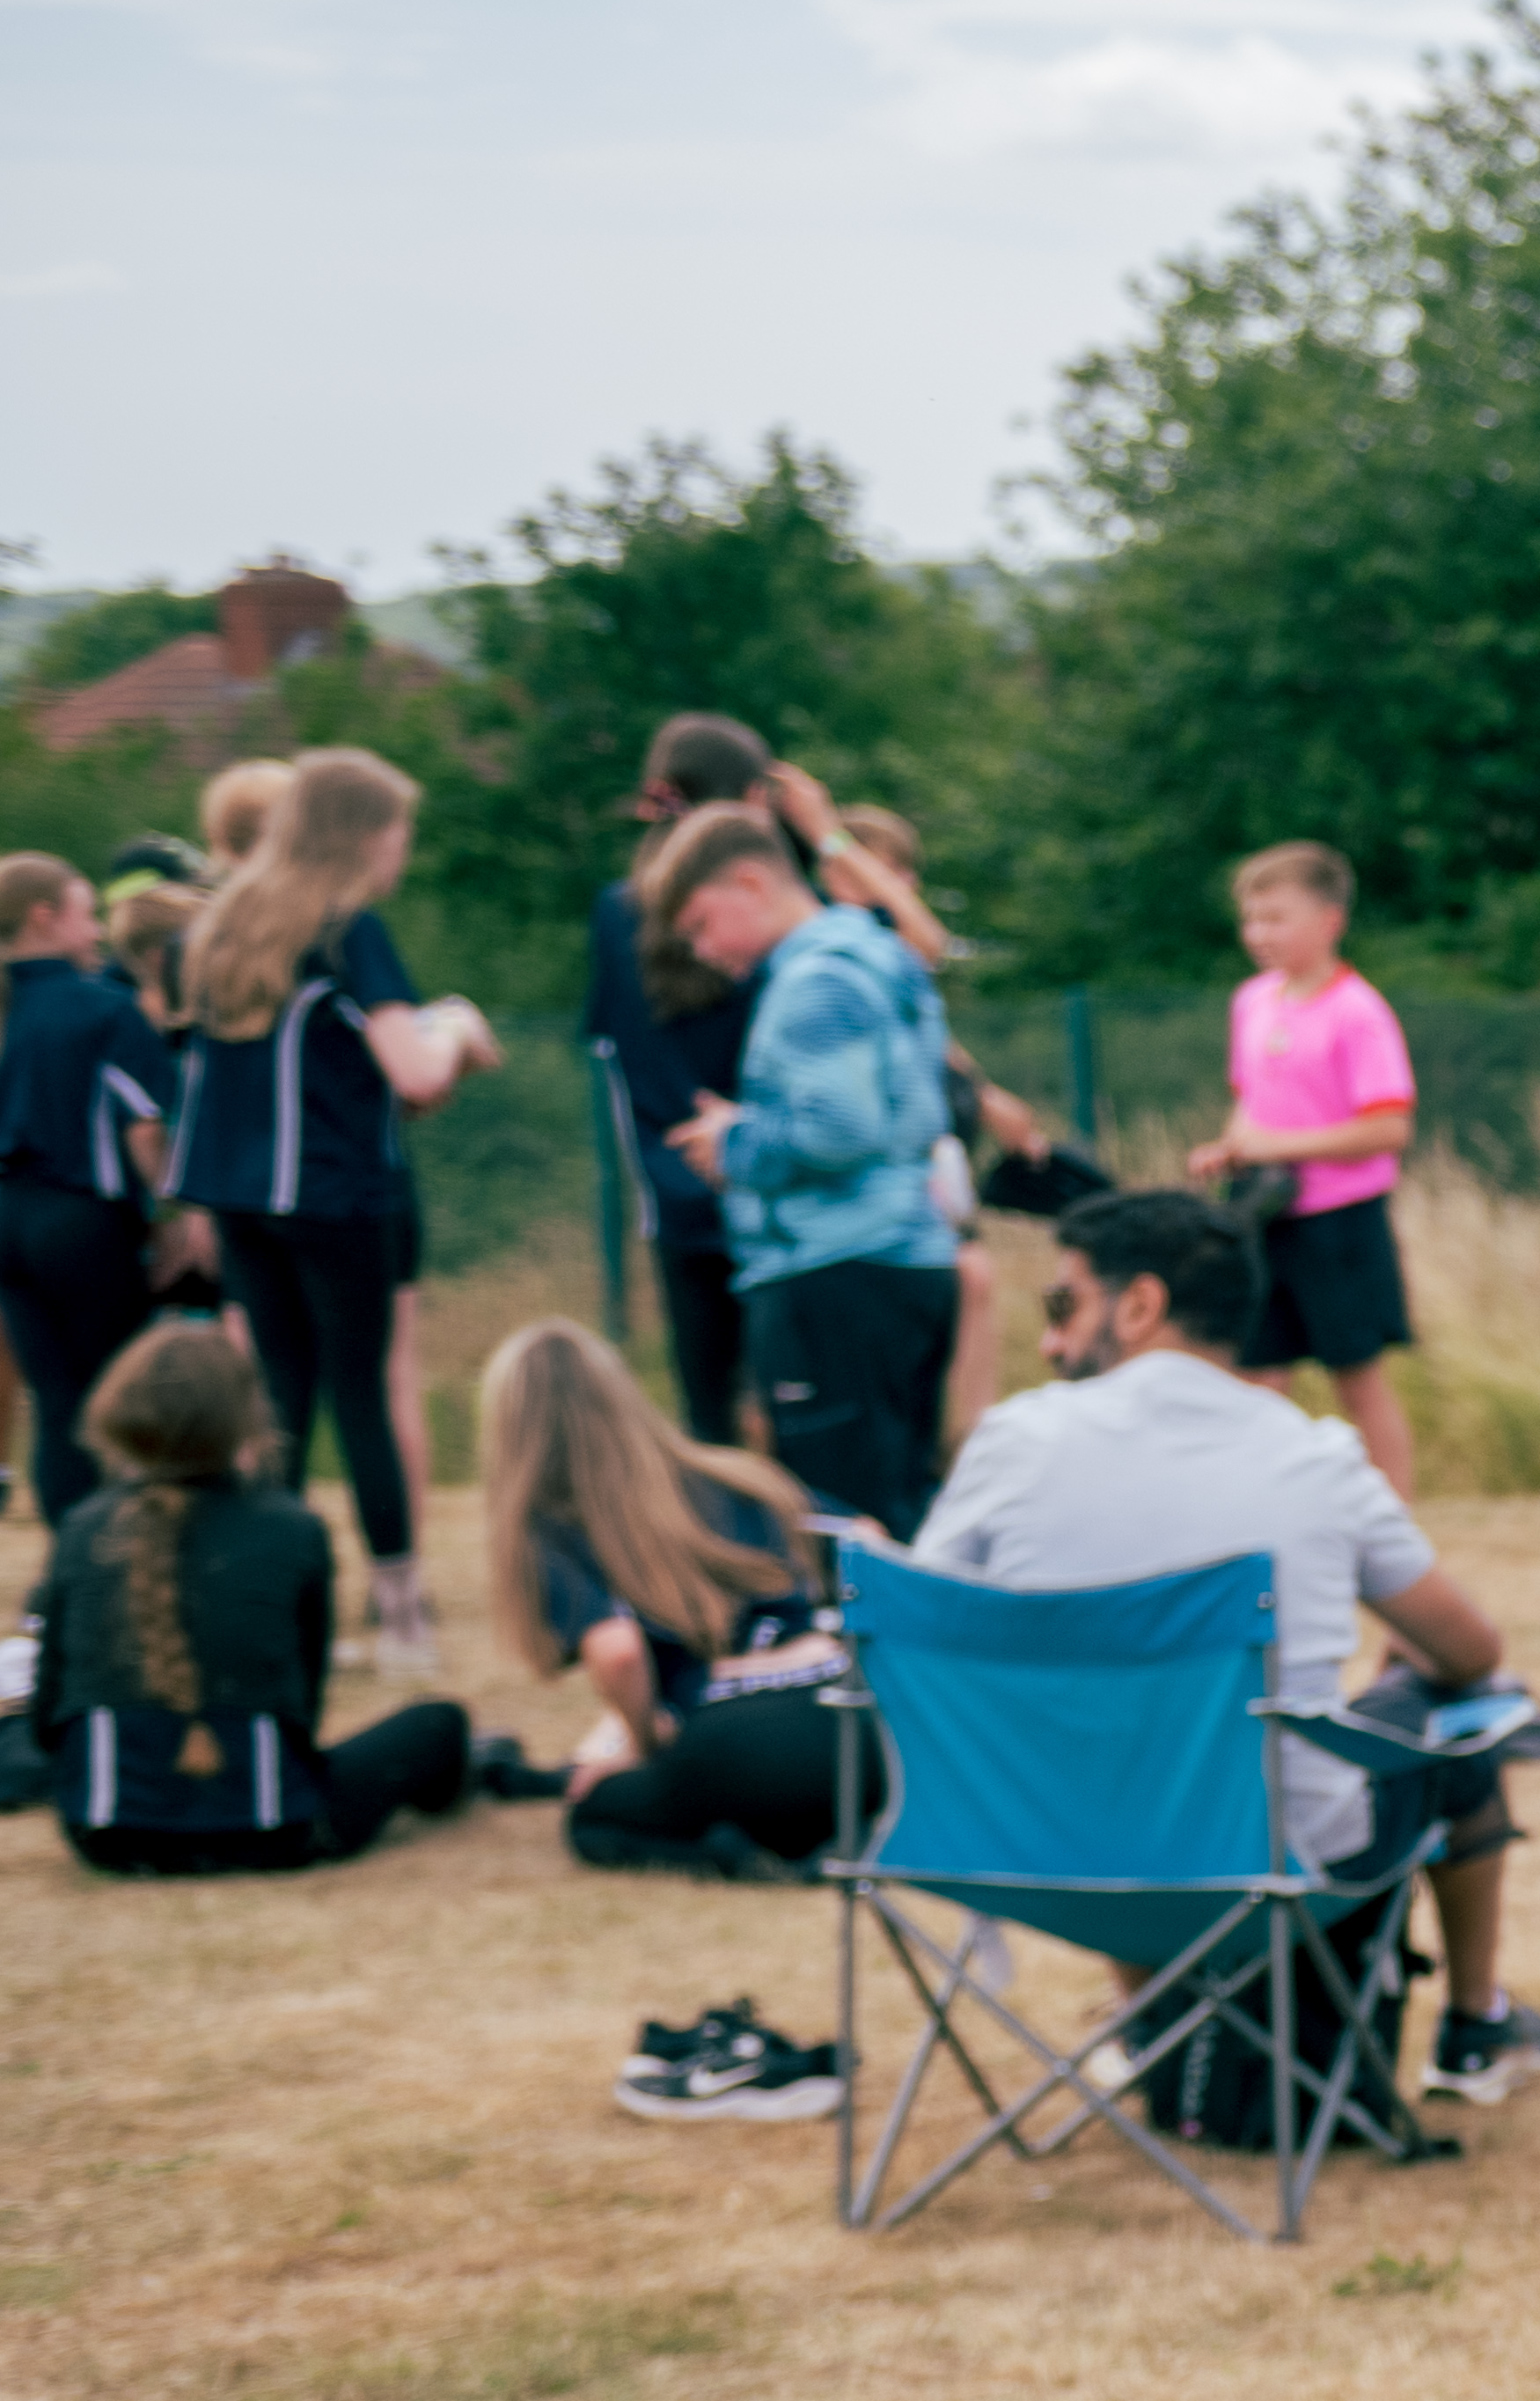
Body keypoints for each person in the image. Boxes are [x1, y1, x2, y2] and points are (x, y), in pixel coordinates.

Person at [912, 1192, 1540, 2101]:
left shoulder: (1013, 1442)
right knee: (1449, 1710)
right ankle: (1477, 2025)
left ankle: (1151, 2019)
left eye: (1062, 1305)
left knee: (1115, 1733)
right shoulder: (1316, 1458)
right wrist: (1412, 1666)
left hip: (1034, 1842)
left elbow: (923, 1632)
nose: (1050, 1340)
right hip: (1270, 1859)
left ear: (1139, 1305)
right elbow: (1471, 1649)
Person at [166, 749, 502, 1661]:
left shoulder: (221, 926)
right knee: (361, 1396)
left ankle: (284, 1614)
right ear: (359, 834)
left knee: (277, 1401)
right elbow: (417, 1071)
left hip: (241, 1200)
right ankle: (402, 1620)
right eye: (398, 832)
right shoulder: (348, 929)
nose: (402, 852)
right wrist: (461, 1025)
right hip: (337, 1193)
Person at [30, 1326, 482, 1872]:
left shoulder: (83, 1529)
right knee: (439, 1724)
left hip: (104, 1834)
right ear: (243, 1415)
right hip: (272, 1829)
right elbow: (301, 1710)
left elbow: (46, 1714)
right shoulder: (292, 1528)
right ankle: (483, 1772)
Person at [636, 804, 962, 1537]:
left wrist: (736, 1144)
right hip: (908, 1254)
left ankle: (859, 1654)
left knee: (844, 1524)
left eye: (699, 924)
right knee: (903, 1508)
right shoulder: (878, 953)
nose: (703, 950)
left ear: (751, 883)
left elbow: (840, 1129)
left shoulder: (812, 985)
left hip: (834, 1273)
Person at [475, 1317, 847, 1880]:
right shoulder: (737, 1476)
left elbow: (618, 1651)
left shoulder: (555, 1526)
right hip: (853, 1722)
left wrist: (646, 1742)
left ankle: (730, 1858)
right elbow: (868, 1537)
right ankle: (825, 1836)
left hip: (731, 1742)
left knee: (592, 1819)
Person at [1196, 841, 1421, 1492]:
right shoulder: (1252, 1002)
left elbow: (1388, 1126)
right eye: (1251, 919)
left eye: (1276, 919)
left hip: (1340, 1223)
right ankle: (1263, 1513)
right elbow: (1251, 1104)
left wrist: (1274, 1146)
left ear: (1329, 920)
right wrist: (1231, 1146)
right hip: (1264, 1214)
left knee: (1358, 1379)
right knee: (1258, 1377)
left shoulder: (1359, 1013)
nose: (1258, 935)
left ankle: (1393, 1525)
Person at [583, 713, 777, 1441]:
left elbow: (614, 1050)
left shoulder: (615, 912)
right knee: (788, 1397)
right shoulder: (759, 909)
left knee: (709, 1409)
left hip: (674, 1185)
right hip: (766, 1173)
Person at [2, 853, 184, 1523]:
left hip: (8, 1222)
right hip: (82, 1221)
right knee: (116, 1396)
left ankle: (64, 1573)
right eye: (86, 913)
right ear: (44, 917)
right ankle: (120, 1553)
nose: (100, 931)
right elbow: (144, 1132)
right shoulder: (104, 1010)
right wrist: (174, 1215)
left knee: (55, 1404)